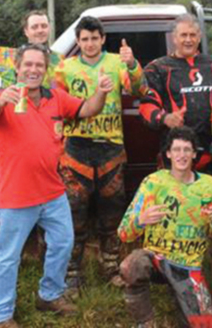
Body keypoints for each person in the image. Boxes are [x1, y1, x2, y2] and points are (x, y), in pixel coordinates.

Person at [0, 43, 109, 328]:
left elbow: (87, 109)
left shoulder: (56, 98)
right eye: (28, 65)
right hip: (16, 196)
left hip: (52, 192)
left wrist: (103, 91)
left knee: (63, 243)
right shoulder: (2, 97)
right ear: (17, 68)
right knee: (8, 257)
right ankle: (0, 315)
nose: (33, 70)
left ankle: (49, 294)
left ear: (45, 71)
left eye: (39, 65)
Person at [53, 15, 148, 290]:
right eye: (84, 39)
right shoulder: (65, 67)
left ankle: (110, 267)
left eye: (95, 38)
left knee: (111, 213)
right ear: (78, 41)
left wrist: (132, 65)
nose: (90, 43)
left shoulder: (116, 62)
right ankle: (71, 272)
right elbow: (56, 104)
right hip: (76, 148)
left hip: (111, 148)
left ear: (103, 39)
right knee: (75, 213)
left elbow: (140, 89)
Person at [118, 126, 212, 328]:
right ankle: (145, 322)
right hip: (156, 259)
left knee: (206, 325)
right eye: (176, 150)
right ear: (168, 153)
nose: (182, 155)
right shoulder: (153, 183)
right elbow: (124, 234)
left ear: (194, 154)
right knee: (132, 265)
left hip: (188, 266)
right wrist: (141, 220)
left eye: (187, 150)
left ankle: (183, 302)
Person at [141, 14, 212, 171]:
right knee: (175, 195)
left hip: (210, 148)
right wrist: (165, 118)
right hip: (175, 150)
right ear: (174, 38)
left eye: (192, 35)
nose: (188, 40)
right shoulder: (157, 68)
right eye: (183, 35)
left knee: (207, 193)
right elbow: (146, 106)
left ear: (199, 37)